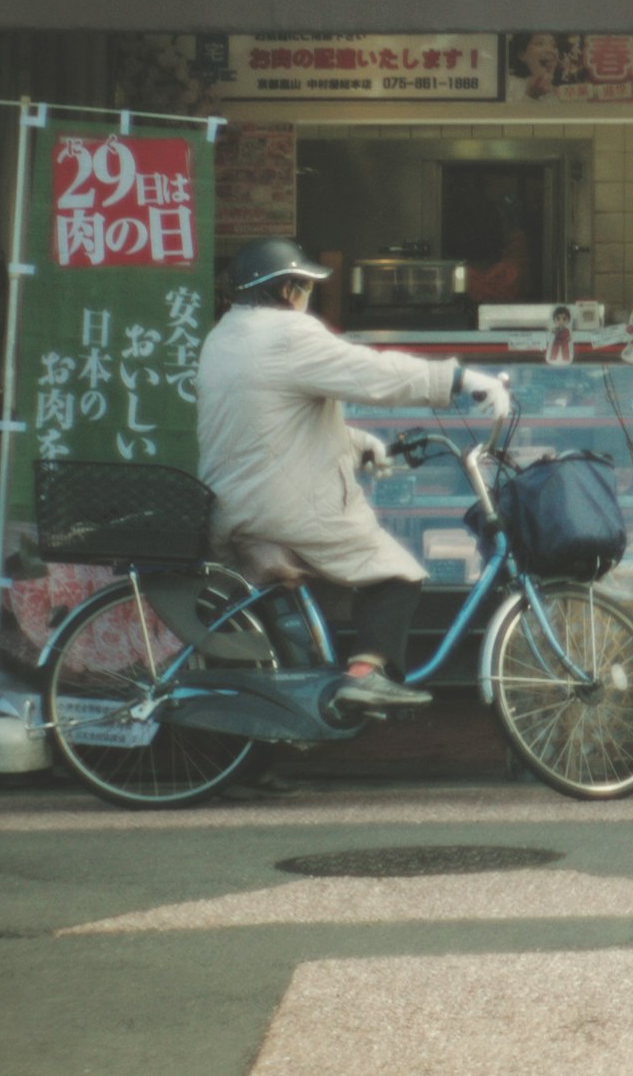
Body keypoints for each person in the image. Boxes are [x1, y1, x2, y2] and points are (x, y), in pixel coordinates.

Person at [196, 237, 512, 717]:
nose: (307, 298)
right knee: (396, 575)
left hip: (236, 506)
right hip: (284, 509)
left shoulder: (224, 337)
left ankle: (256, 756)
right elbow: (370, 372)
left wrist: (354, 441)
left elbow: (269, 423)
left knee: (278, 640)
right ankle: (364, 676)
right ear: (287, 291)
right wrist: (459, 381)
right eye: (304, 287)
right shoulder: (287, 334)